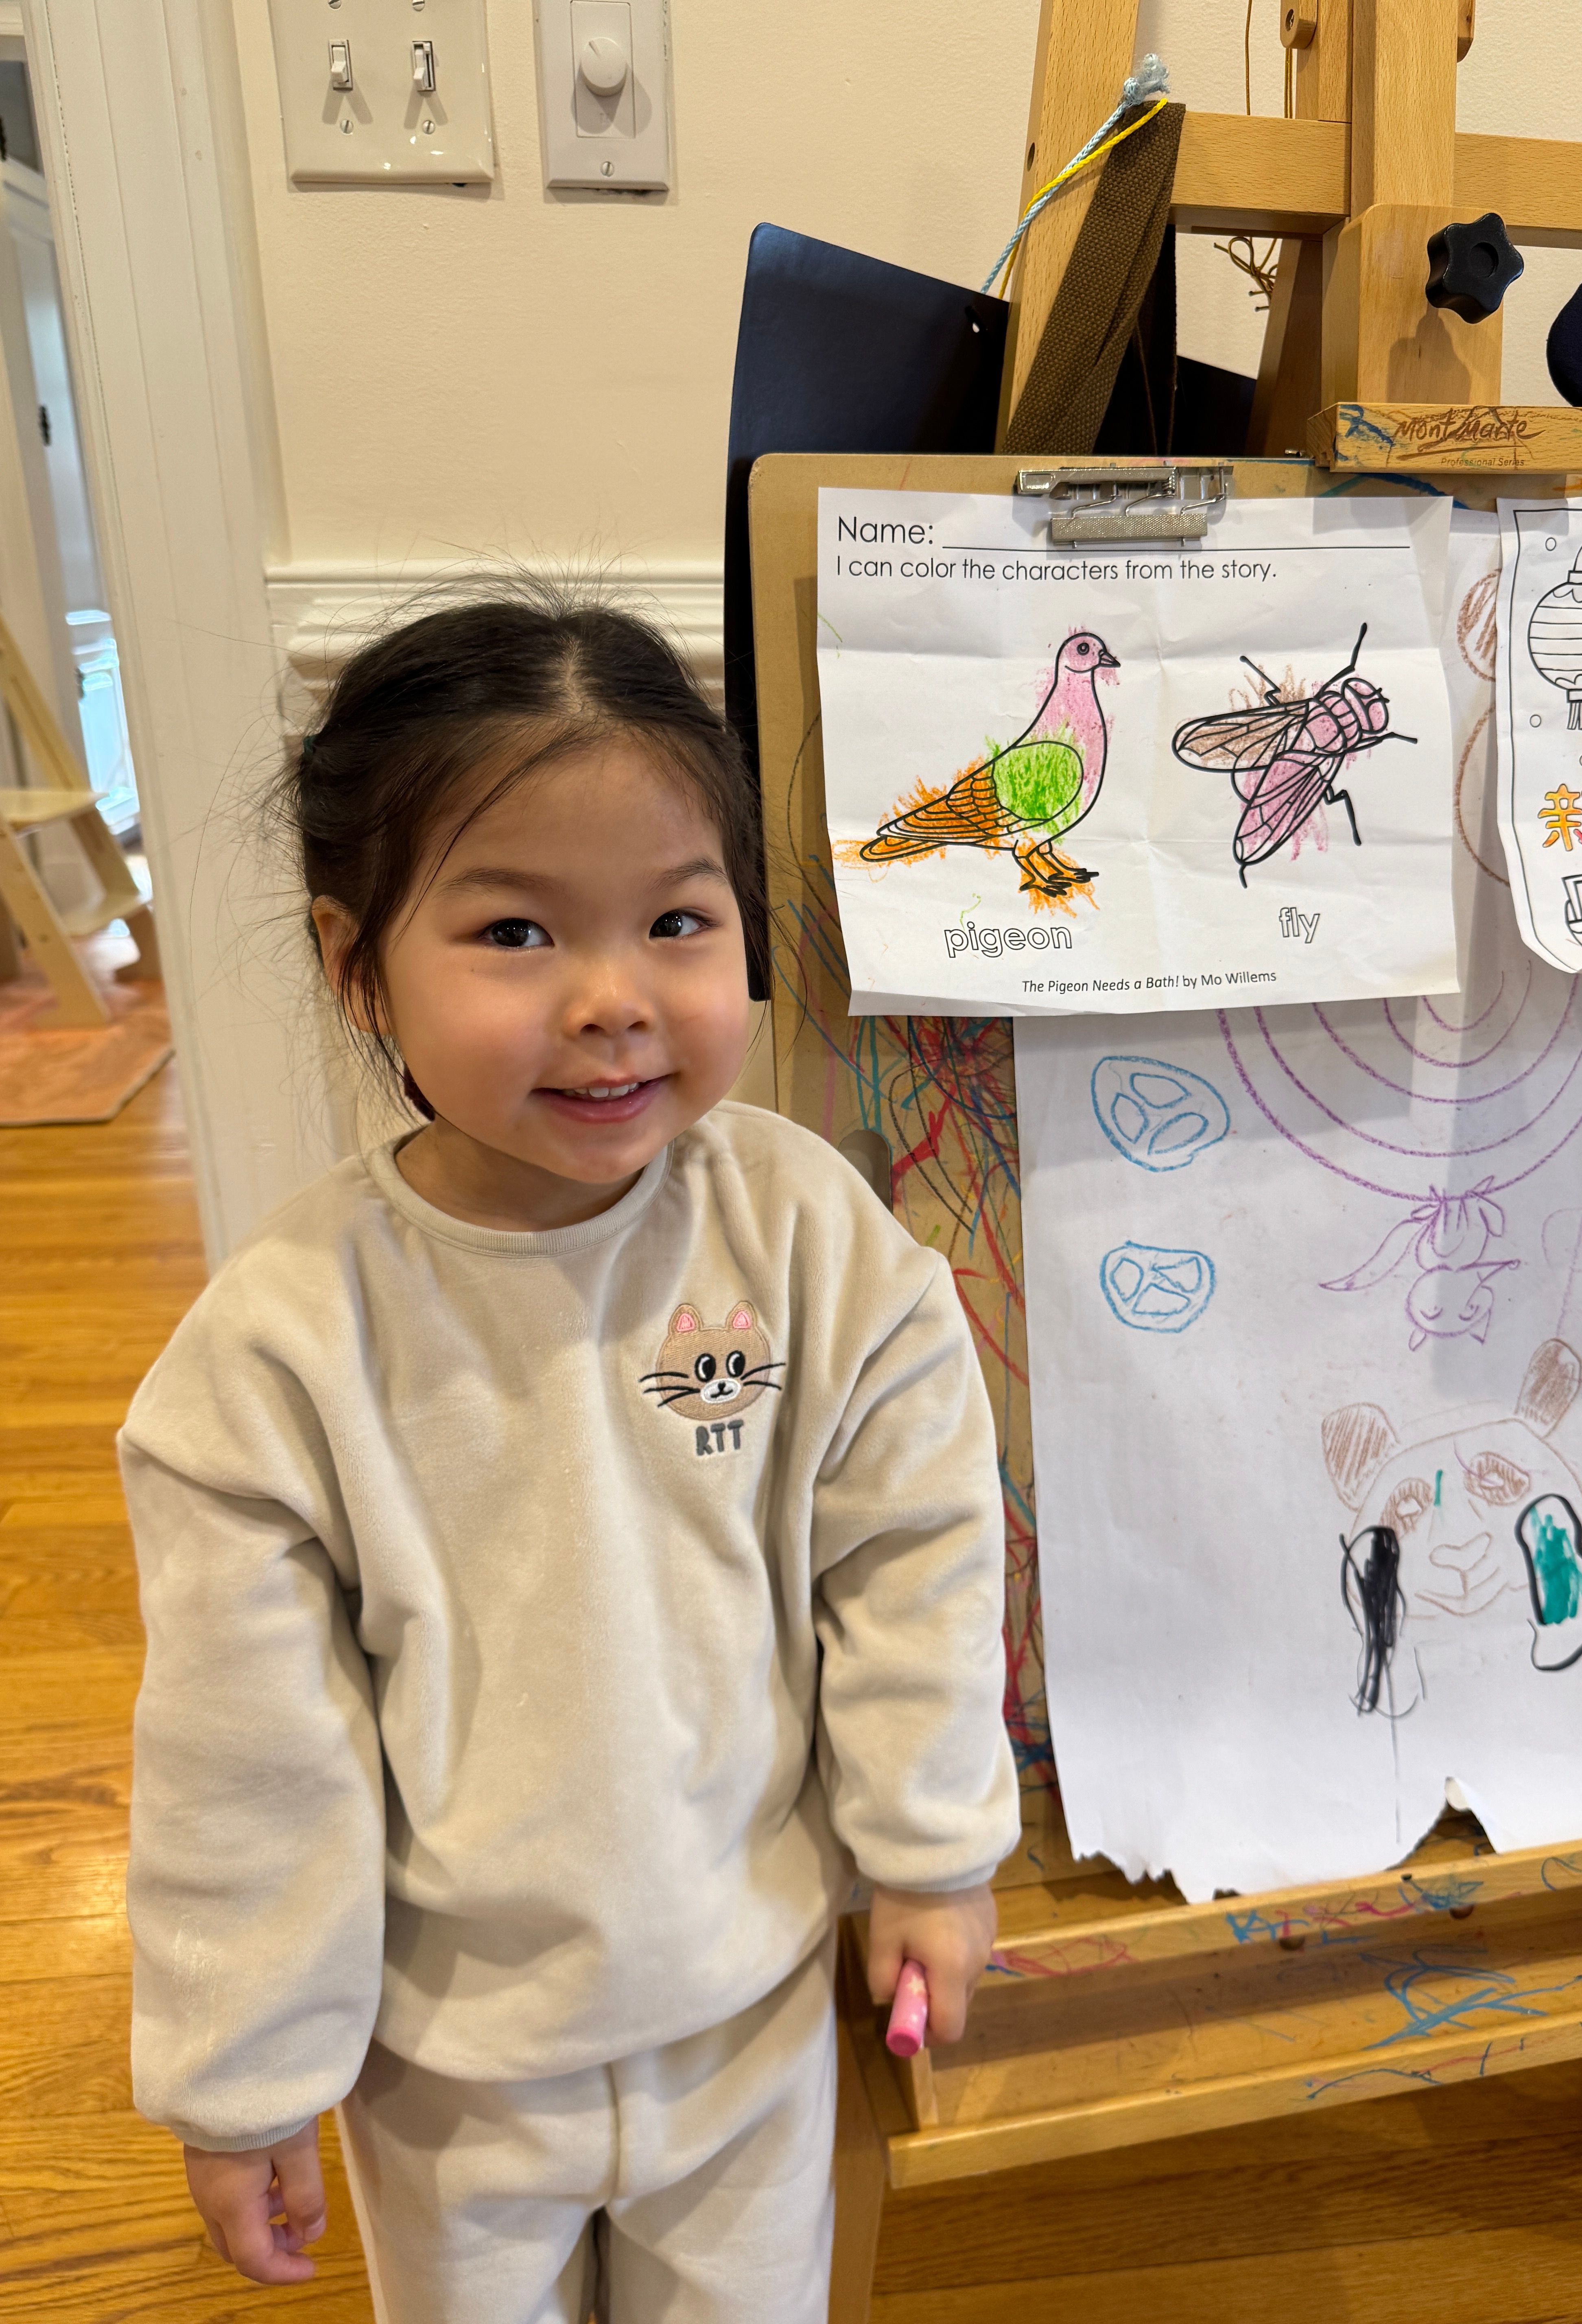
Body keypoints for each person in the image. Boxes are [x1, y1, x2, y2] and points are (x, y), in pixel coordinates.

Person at [120, 591, 1020, 2323]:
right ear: (353, 962)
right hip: (450, 2071)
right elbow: (246, 1754)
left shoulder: (813, 1241)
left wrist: (929, 1850)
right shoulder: (281, 1349)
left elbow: (912, 1549)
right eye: (517, 932)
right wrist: (243, 2076)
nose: (615, 1000)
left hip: (751, 2010)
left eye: (678, 920)